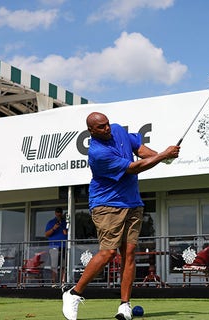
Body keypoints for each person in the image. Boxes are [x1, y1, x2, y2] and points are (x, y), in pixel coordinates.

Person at [62, 112, 180, 320]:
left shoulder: (117, 130)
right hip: (107, 205)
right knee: (108, 253)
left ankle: (124, 305)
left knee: (130, 253)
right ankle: (74, 293)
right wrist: (162, 156)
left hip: (132, 202)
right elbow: (133, 168)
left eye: (107, 124)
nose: (106, 128)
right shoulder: (97, 153)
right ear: (91, 131)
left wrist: (163, 158)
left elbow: (139, 149)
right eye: (101, 127)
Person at [45, 207, 68, 286]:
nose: (59, 214)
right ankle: (54, 283)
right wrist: (53, 228)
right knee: (54, 266)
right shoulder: (51, 222)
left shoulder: (65, 222)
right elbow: (46, 234)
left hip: (64, 246)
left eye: (60, 212)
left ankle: (63, 282)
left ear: (62, 213)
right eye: (57, 212)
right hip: (54, 246)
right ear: (55, 213)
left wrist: (65, 231)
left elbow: (68, 234)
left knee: (63, 265)